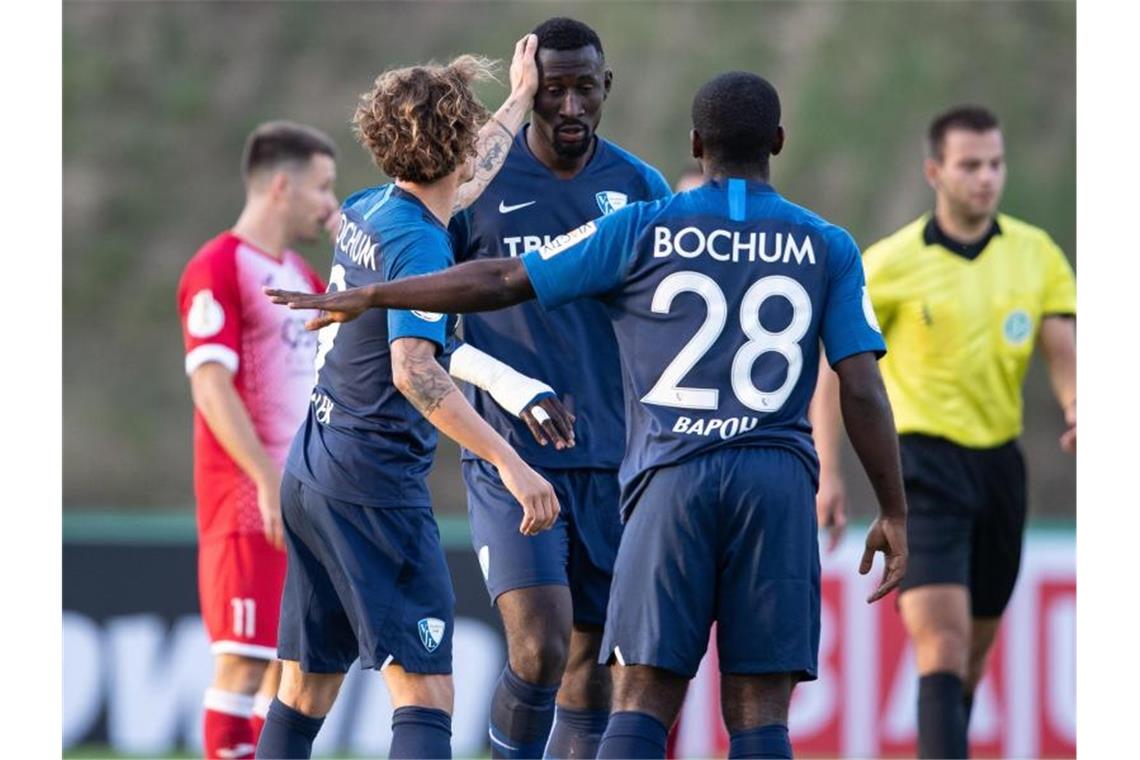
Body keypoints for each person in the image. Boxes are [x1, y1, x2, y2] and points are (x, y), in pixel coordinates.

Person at [267, 70, 909, 760]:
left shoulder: (642, 225)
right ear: (779, 142)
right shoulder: (828, 245)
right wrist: (895, 509)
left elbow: (504, 277)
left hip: (669, 477)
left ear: (695, 144)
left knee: (639, 695)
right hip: (775, 483)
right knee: (759, 707)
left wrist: (380, 294)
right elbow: (863, 387)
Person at [253, 37, 571, 760]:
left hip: (313, 471)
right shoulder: (422, 248)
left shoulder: (373, 208)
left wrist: (519, 99)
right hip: (373, 487)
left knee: (304, 687)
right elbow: (415, 374)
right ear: (454, 143)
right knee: (425, 691)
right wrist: (511, 463)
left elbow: (464, 181)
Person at [810, 105, 1076, 758]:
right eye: (970, 166)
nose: (986, 178)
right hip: (921, 467)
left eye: (995, 164)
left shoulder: (1035, 254)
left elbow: (1063, 351)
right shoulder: (890, 262)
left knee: (971, 659)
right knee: (942, 643)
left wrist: (1079, 408)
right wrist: (829, 467)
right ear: (936, 172)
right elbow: (831, 368)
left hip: (998, 471)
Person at [447, 17, 670, 759]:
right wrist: (506, 385)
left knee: (591, 666)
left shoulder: (640, 189)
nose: (569, 106)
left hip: (613, 460)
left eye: (584, 89)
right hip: (508, 460)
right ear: (527, 89)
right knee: (538, 648)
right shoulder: (476, 186)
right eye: (552, 89)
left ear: (607, 88)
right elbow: (427, 336)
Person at [177, 120, 340, 760]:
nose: (329, 202)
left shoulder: (297, 271)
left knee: (287, 670)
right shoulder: (216, 266)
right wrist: (266, 480)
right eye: (323, 188)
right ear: (282, 186)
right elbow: (211, 385)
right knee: (243, 666)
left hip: (298, 499)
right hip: (248, 504)